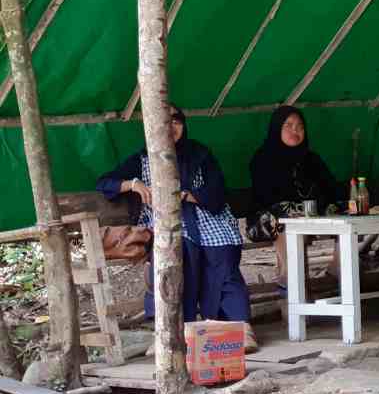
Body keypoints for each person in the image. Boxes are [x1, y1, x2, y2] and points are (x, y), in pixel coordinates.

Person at [97, 106, 254, 342]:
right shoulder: (142, 159)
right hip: (167, 225)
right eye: (164, 123)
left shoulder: (200, 154)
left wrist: (185, 195)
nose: (171, 128)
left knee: (222, 258)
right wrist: (132, 184)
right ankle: (176, 334)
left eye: (176, 122)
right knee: (177, 257)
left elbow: (217, 191)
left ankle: (239, 329)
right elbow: (104, 183)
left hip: (207, 219)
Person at [248, 105, 340, 282]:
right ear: (277, 129)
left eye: (300, 126)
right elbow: (267, 197)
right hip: (268, 221)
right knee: (286, 223)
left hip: (308, 217)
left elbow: (331, 188)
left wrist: (324, 205)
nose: (295, 130)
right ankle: (293, 284)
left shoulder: (311, 159)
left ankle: (339, 269)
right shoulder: (263, 158)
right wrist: (298, 209)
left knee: (344, 216)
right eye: (288, 125)